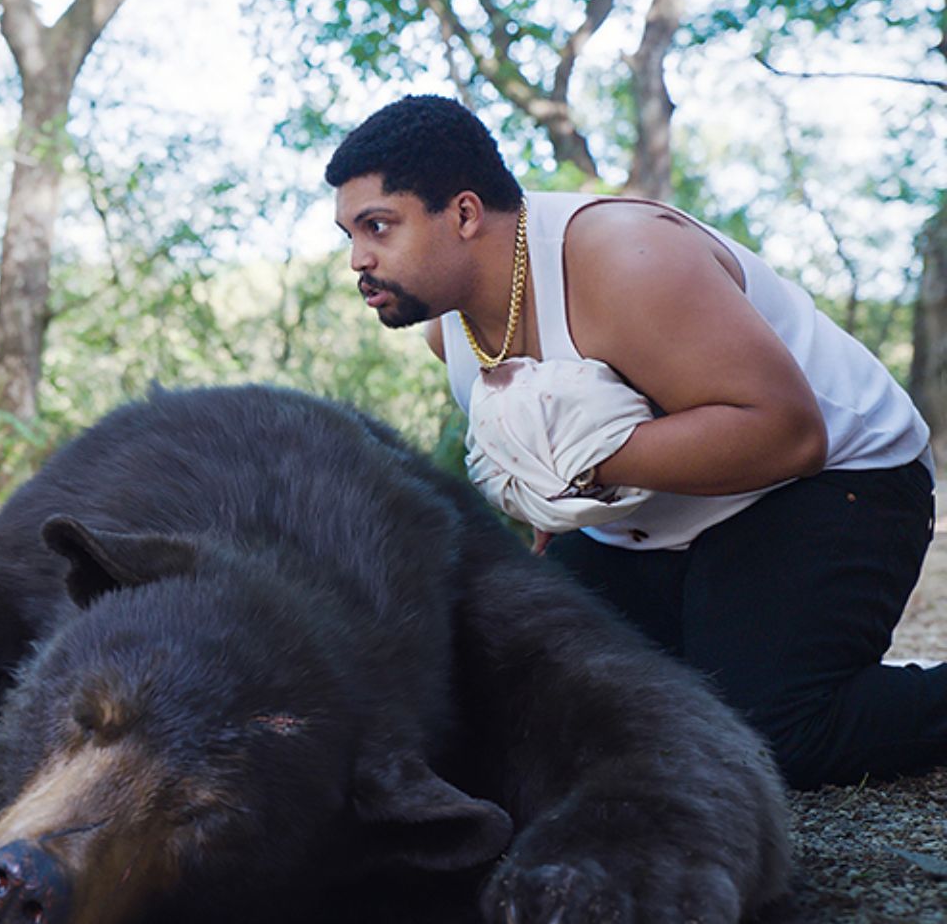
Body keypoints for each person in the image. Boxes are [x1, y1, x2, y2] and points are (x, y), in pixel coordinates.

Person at [325, 94, 940, 790]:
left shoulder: (626, 257)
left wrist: (581, 460)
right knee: (508, 695)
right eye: (350, 234)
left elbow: (789, 434)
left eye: (378, 227)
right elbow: (539, 465)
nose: (357, 259)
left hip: (831, 484)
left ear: (465, 214)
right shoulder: (449, 329)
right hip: (649, 530)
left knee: (772, 733)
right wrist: (549, 521)